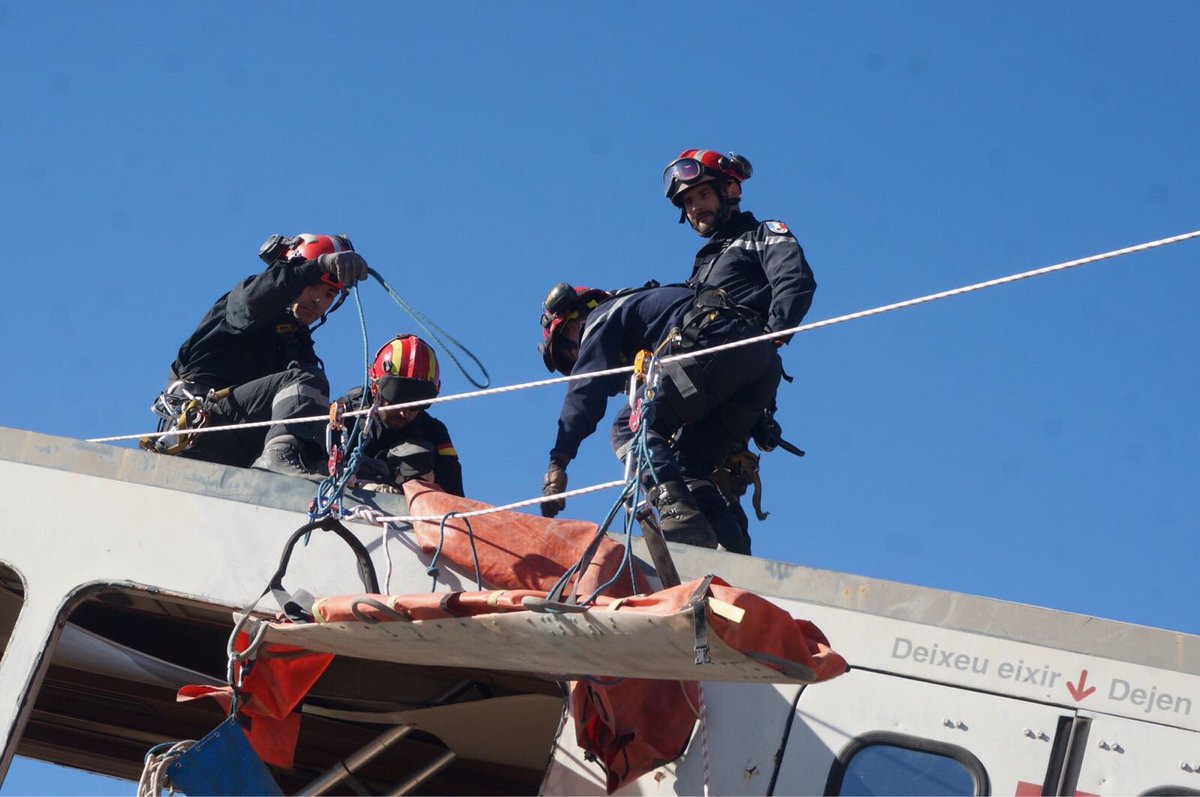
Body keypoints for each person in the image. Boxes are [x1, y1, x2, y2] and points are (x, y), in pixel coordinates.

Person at [537, 282, 781, 552]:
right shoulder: (645, 307)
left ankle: (680, 519)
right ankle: (731, 550)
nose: (578, 358)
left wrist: (559, 460)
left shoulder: (601, 316)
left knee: (630, 429)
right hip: (761, 366)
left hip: (711, 344)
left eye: (571, 354)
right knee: (688, 466)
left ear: (572, 324)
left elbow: (586, 388)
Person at [159, 233, 368, 476]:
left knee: (330, 408)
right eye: (312, 286)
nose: (319, 300)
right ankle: (279, 458)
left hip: (240, 450)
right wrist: (314, 268)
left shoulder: (296, 347)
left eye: (330, 294)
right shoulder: (242, 306)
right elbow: (260, 296)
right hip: (202, 429)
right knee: (306, 381)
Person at [662, 149, 817, 341]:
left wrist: (770, 336)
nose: (695, 207)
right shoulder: (704, 264)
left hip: (737, 342)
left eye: (703, 194)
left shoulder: (761, 235)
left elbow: (795, 280)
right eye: (688, 201)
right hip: (693, 352)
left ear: (732, 191)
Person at [335, 334, 464, 496]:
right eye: (397, 402)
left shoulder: (434, 433)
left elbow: (453, 494)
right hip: (346, 504)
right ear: (375, 390)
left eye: (414, 406)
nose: (404, 413)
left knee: (418, 452)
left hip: (406, 513)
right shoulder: (345, 413)